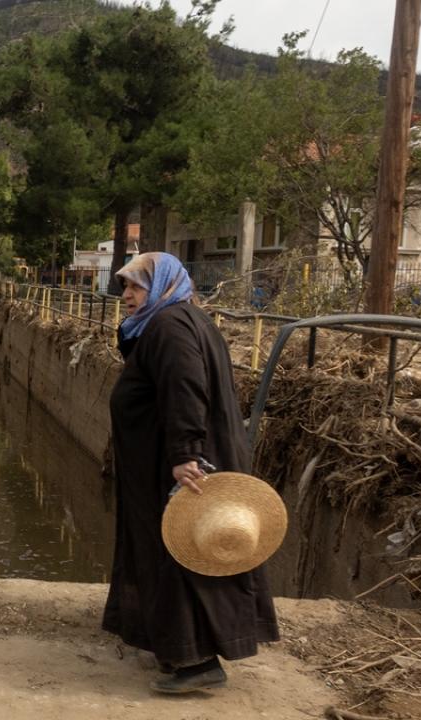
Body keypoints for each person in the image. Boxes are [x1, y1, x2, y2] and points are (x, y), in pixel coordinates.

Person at [103, 252, 279, 694]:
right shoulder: (182, 320)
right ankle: (177, 647)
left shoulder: (168, 327)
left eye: (134, 287)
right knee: (182, 555)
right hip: (177, 462)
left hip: (180, 468)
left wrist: (186, 455)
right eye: (124, 286)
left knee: (180, 557)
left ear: (161, 286)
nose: (125, 296)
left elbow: (186, 388)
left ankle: (195, 660)